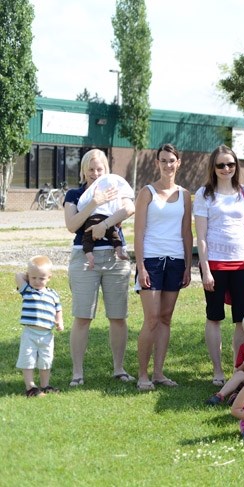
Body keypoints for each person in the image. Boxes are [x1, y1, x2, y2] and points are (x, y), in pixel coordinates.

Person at [64, 149, 135, 386]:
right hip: (84, 259)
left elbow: (128, 209)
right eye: (91, 169)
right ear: (84, 170)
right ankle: (77, 373)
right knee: (82, 317)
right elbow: (72, 225)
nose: (95, 173)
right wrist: (95, 201)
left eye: (100, 169)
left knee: (118, 317)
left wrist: (103, 224)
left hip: (115, 260)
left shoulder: (116, 188)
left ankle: (119, 368)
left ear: (106, 170)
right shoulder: (75, 194)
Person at [193, 145, 244, 386]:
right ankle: (217, 370)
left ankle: (238, 369)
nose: (226, 169)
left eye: (230, 164)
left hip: (243, 262)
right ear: (213, 166)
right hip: (215, 264)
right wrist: (206, 269)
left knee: (242, 319)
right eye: (221, 164)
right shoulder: (204, 194)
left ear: (236, 166)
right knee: (214, 317)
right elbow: (200, 235)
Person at [134, 144, 192, 391]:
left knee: (166, 318)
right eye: (163, 160)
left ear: (178, 163)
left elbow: (187, 232)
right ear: (157, 163)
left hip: (176, 261)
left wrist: (189, 266)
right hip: (152, 261)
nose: (168, 165)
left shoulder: (185, 194)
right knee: (152, 319)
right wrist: (141, 267)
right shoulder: (147, 192)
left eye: (172, 160)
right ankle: (142, 375)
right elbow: (138, 233)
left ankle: (158, 373)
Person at [16, 256, 63, 397]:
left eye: (41, 278)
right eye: (33, 277)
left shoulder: (53, 294)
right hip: (30, 333)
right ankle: (30, 387)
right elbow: (17, 275)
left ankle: (45, 385)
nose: (37, 281)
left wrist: (59, 321)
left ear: (49, 277)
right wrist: (28, 274)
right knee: (28, 359)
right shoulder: (27, 290)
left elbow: (58, 309)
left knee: (46, 361)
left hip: (47, 335)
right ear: (29, 276)